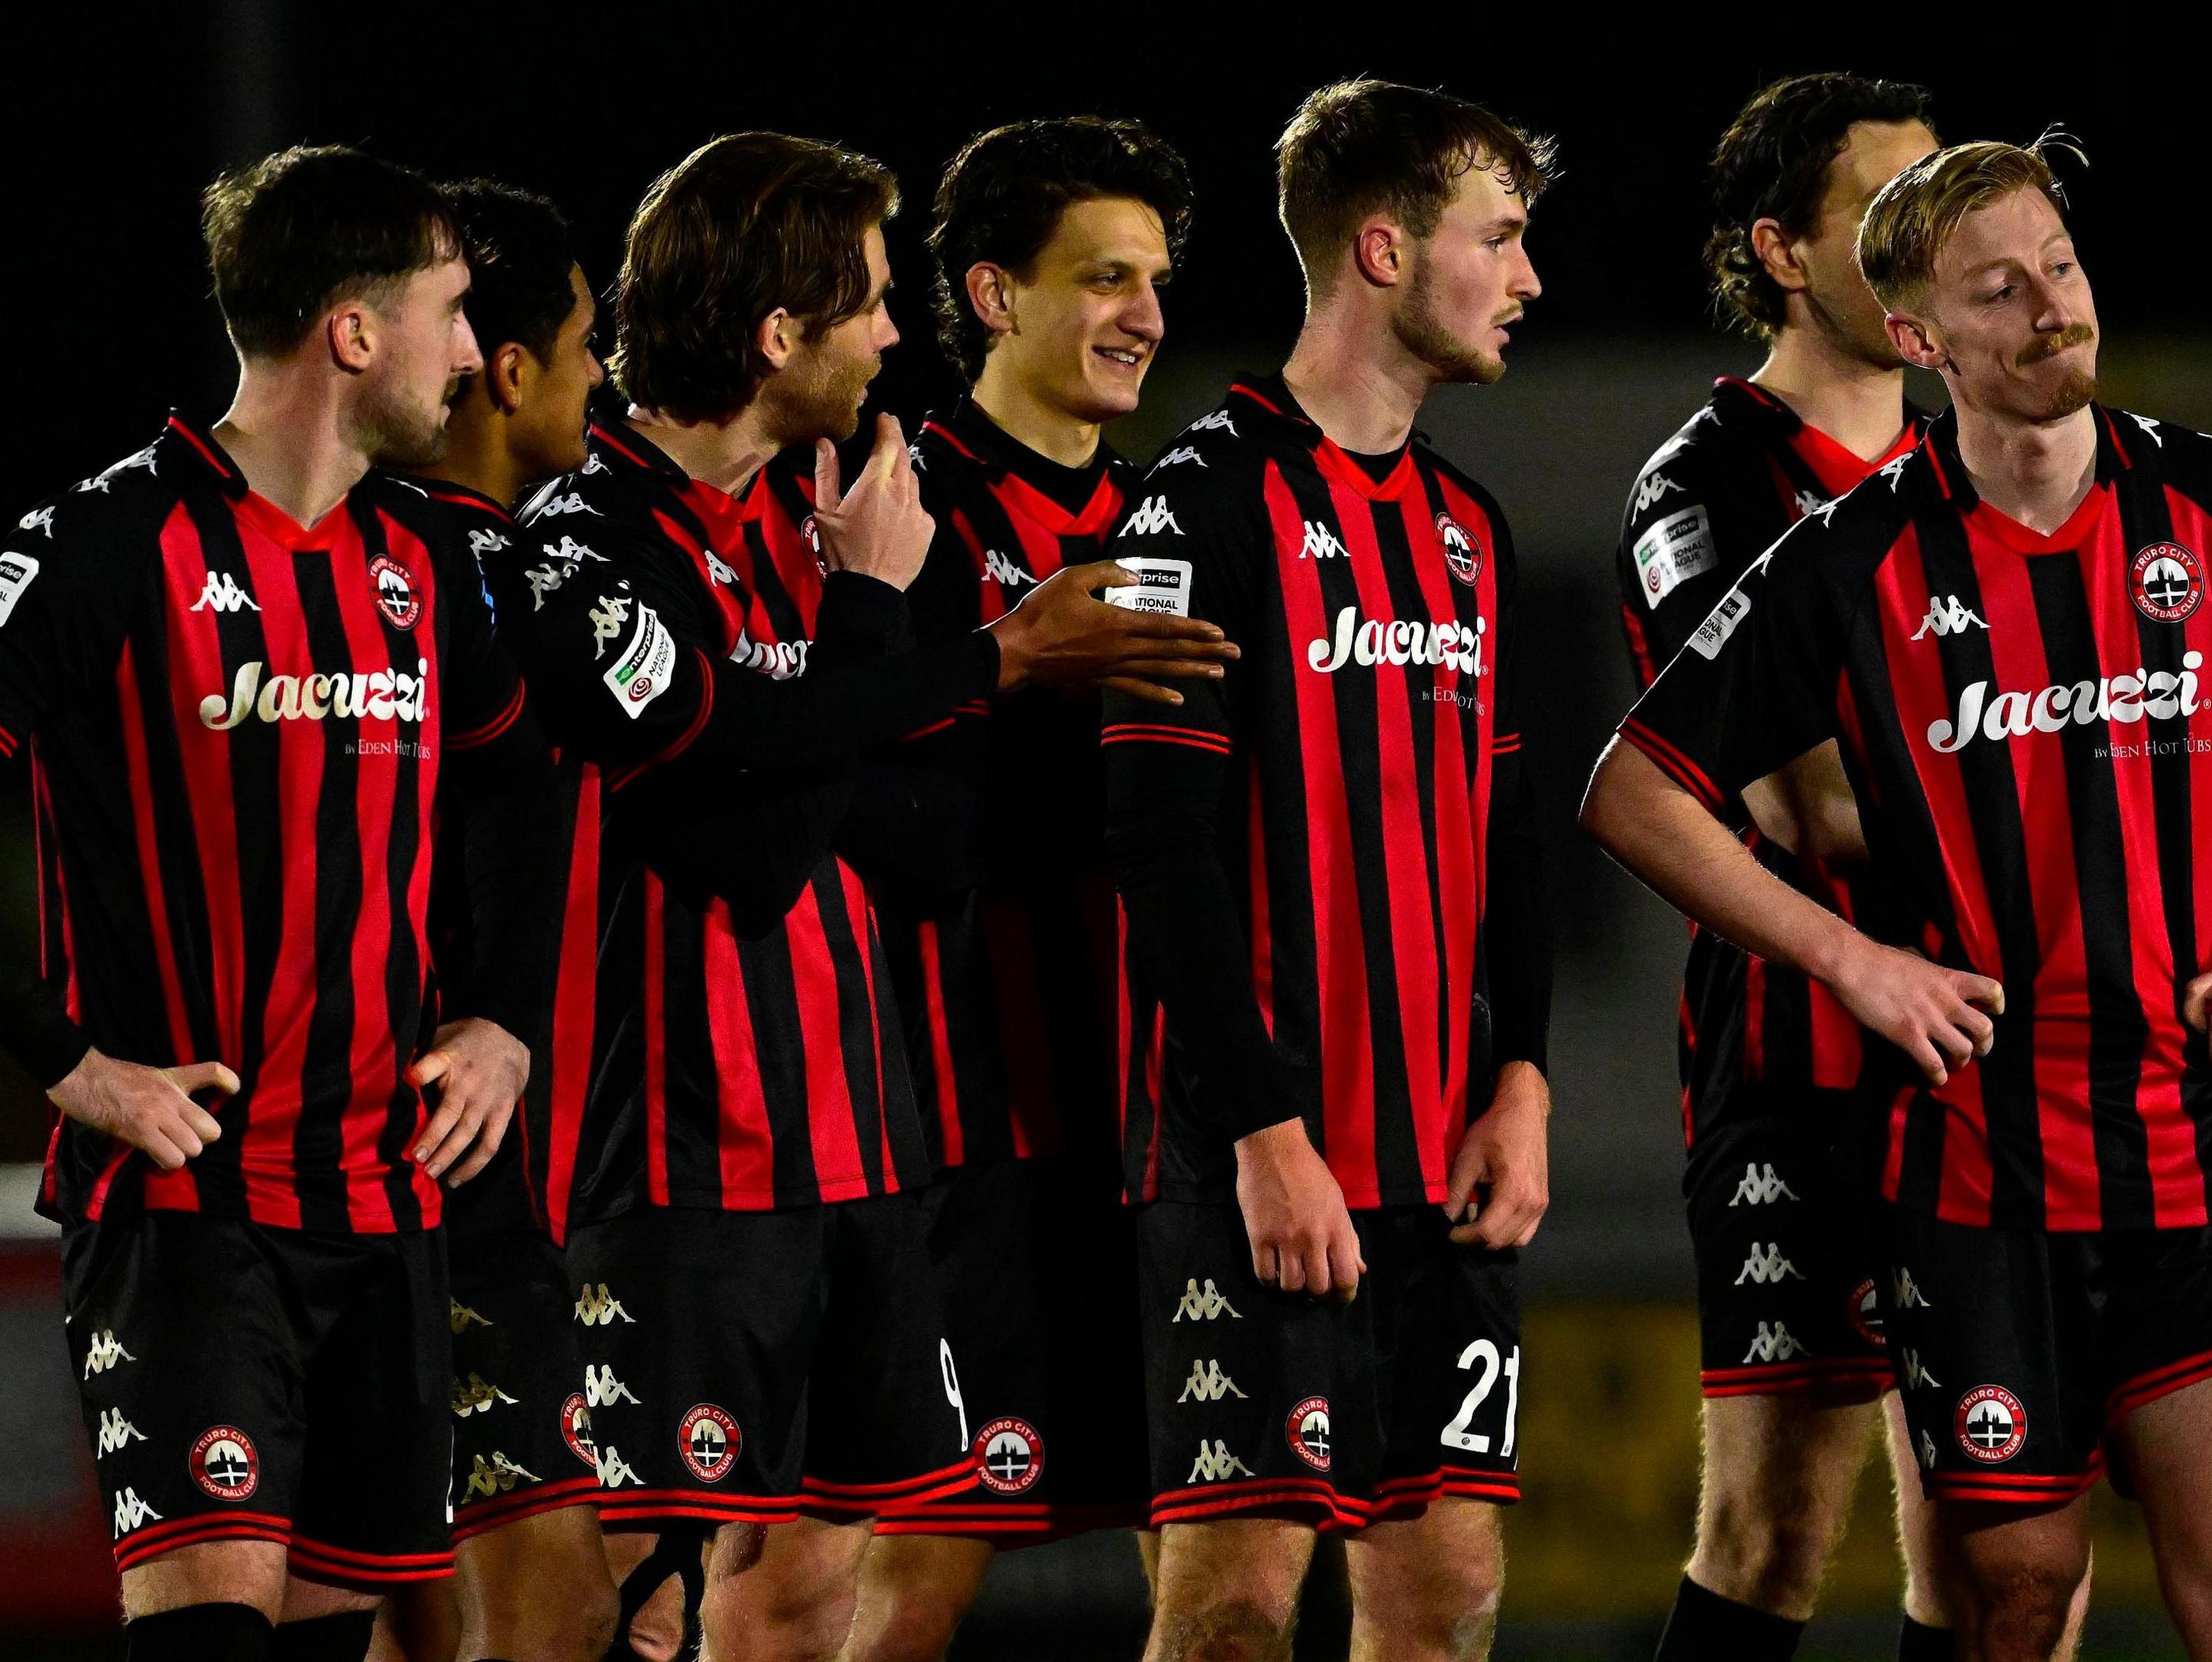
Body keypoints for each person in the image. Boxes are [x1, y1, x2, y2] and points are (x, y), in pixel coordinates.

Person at [1580, 138, 2212, 1661]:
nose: (2050, 308)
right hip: (1972, 1179)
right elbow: (1632, 786)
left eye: (2061, 269)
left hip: (2200, 1152)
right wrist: (1853, 964)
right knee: (2012, 1600)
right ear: (1920, 339)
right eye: (1998, 289)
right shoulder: (1852, 556)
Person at [489, 131, 1236, 1662]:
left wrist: (853, 676)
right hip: (670, 1177)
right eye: (870, 304)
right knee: (615, 1610)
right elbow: (742, 849)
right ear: (777, 335)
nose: (897, 338)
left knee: (817, 1595)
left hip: (860, 1158)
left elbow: (906, 838)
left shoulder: (812, 526)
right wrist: (942, 647)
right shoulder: (585, 547)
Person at [0, 145, 568, 1662]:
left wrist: (505, 1017)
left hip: (385, 1216)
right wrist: (71, 1063)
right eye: (444, 308)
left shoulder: (427, 560)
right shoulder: (107, 541)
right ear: (352, 332)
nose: (466, 350)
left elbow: (522, 794)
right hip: (191, 1220)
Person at [1103, 78, 1554, 1661]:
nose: (1527, 277)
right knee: (1231, 1611)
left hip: (1448, 1172)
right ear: (1382, 247)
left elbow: (1509, 839)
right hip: (1255, 1163)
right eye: (1496, 239)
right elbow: (1157, 847)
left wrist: (1521, 1080)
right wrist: (1265, 1132)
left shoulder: (1471, 533)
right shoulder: (1200, 498)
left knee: (1446, 1602)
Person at [1616, 71, 2009, 1662]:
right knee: (1773, 1534)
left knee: (1994, 1556)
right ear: (1780, 249)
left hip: (1991, 1066)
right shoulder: (1706, 482)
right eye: (1887, 215)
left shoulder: (1984, 471)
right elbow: (1808, 807)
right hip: (1803, 1068)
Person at [845, 116, 1193, 1662]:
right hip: (962, 1137)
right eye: (1106, 276)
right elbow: (853, 786)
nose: (1146, 313)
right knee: (912, 1574)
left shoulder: (1175, 521)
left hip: (1160, 1133)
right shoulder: (896, 504)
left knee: (1215, 1558)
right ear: (993, 295)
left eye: (1159, 280)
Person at [385, 177, 618, 1662]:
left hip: (397, 1164)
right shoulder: (483, 573)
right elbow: (725, 737)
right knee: (533, 1611)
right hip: (451, 1165)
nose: (603, 375)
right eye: (585, 343)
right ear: (510, 369)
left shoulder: (376, 557)